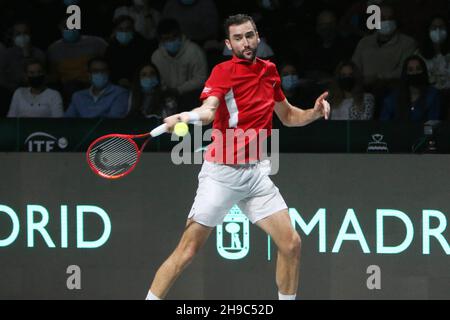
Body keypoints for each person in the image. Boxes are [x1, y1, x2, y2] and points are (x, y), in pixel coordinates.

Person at [145, 14, 331, 301]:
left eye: (249, 35)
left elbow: (289, 116)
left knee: (291, 244)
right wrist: (186, 117)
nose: (245, 42)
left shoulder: (270, 72)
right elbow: (208, 112)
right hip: (222, 174)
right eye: (238, 38)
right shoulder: (223, 72)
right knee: (187, 252)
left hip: (256, 175)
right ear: (228, 43)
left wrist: (315, 113)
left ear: (257, 37)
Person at [352, 3, 416, 87]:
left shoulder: (407, 42)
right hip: (363, 90)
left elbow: (404, 70)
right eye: (382, 18)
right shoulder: (364, 42)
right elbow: (354, 67)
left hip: (393, 90)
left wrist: (379, 77)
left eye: (390, 18)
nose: (386, 22)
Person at [151, 19, 208, 111]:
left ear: (180, 34)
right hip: (166, 96)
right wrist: (167, 92)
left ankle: (199, 125)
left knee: (198, 117)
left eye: (174, 37)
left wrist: (179, 90)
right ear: (160, 39)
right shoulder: (156, 56)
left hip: (192, 96)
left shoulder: (194, 51)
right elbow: (157, 80)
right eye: (166, 38)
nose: (171, 41)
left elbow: (201, 79)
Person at [380, 55, 441, 121]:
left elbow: (433, 122)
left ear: (424, 71)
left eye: (418, 69)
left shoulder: (432, 95)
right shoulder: (393, 97)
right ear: (405, 73)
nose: (415, 73)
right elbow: (384, 124)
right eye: (410, 70)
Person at [65, 57, 129, 118]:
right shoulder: (78, 96)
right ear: (89, 74)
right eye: (95, 71)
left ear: (108, 73)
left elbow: (114, 120)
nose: (100, 73)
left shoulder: (120, 93)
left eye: (103, 70)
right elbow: (68, 120)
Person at [105, 15, 155, 88]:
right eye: (121, 29)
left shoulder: (143, 46)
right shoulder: (111, 48)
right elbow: (108, 70)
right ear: (115, 31)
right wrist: (117, 81)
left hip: (140, 86)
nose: (124, 32)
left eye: (128, 29)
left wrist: (133, 84)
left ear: (133, 30)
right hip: (116, 86)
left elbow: (147, 69)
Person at [0, 21, 46, 91]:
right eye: (18, 34)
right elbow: (2, 78)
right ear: (12, 37)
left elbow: (39, 77)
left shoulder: (39, 53)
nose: (22, 36)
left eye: (25, 33)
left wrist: (27, 56)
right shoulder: (6, 55)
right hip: (10, 92)